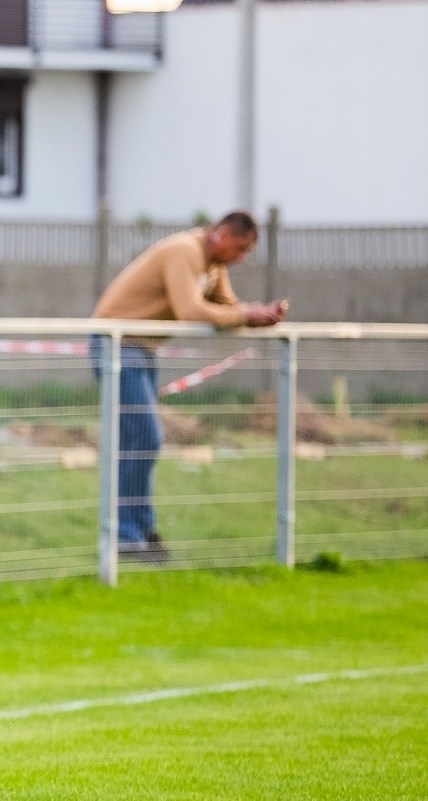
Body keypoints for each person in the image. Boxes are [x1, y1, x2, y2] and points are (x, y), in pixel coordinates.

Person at [92, 211, 288, 562]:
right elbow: (191, 311)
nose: (242, 258)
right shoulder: (185, 250)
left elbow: (228, 308)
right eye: (241, 248)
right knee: (146, 439)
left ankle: (140, 531)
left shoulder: (213, 265)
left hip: (141, 348)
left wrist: (259, 315)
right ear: (221, 235)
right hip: (118, 345)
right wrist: (246, 315)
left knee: (139, 443)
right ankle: (127, 536)